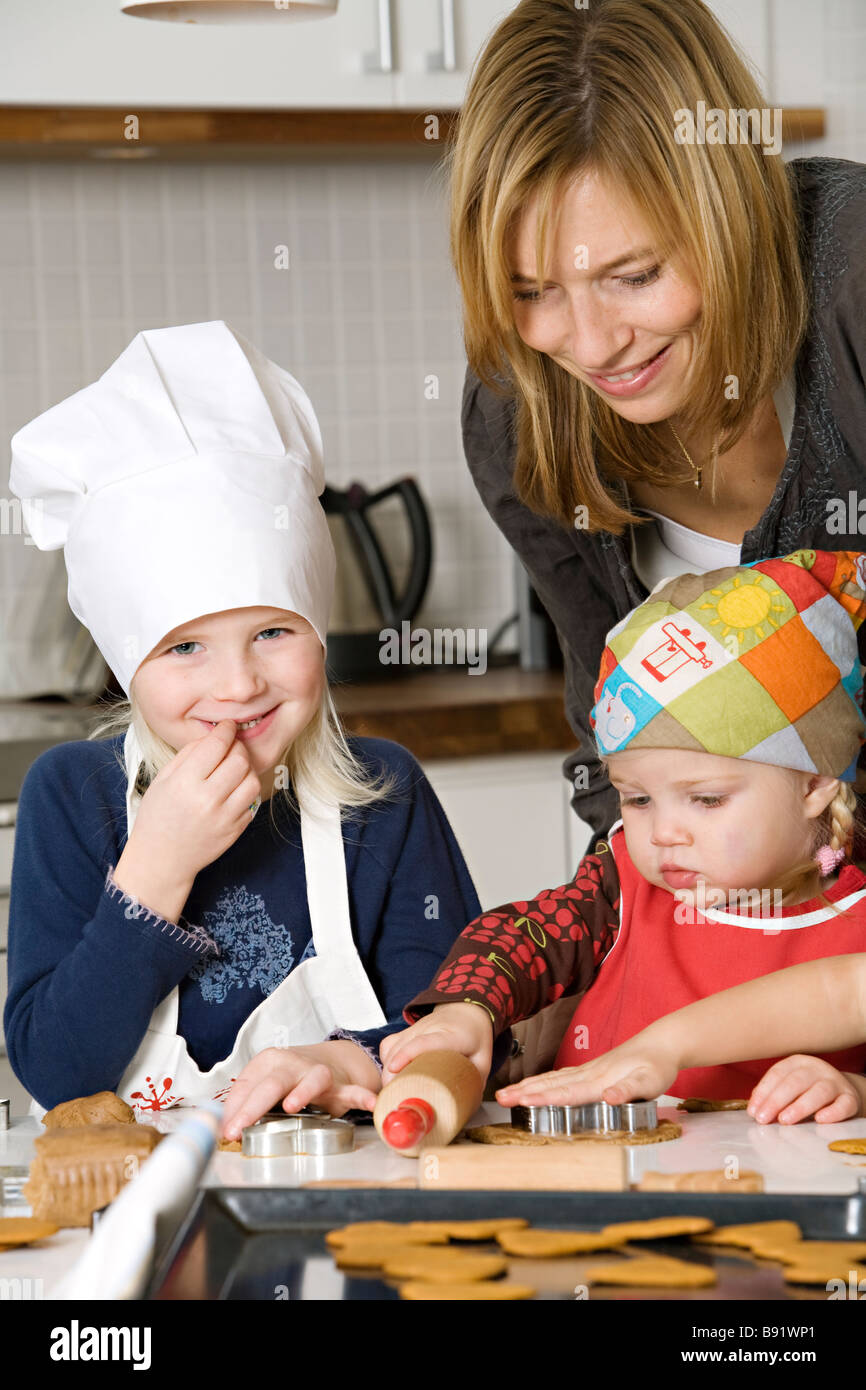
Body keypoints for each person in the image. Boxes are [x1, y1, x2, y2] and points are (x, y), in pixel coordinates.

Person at [5, 320, 481, 1139]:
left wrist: (352, 1062)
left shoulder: (386, 793)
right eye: (184, 647)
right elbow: (55, 1071)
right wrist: (155, 868)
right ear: (124, 664)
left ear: (319, 630)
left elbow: (469, 1034)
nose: (238, 684)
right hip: (129, 1210)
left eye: (274, 632)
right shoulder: (72, 797)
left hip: (355, 1194)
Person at [449, 0, 866, 843]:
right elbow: (615, 748)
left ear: (731, 218)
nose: (595, 347)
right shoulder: (516, 412)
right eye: (534, 293)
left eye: (634, 275)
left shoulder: (854, 278)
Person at [380, 551, 866, 1118]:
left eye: (706, 799)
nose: (661, 833)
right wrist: (469, 1007)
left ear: (815, 785)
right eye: (636, 798)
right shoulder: (620, 886)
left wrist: (854, 1091)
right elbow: (523, 936)